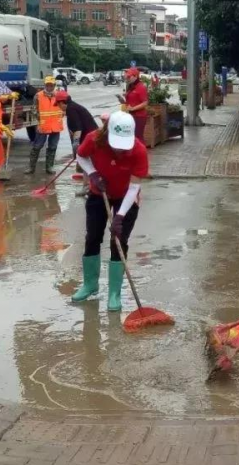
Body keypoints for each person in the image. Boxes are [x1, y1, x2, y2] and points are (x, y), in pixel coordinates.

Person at [71, 110, 149, 308]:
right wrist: (93, 173)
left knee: (119, 241)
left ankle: (114, 293)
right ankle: (90, 285)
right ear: (107, 133)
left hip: (126, 197)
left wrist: (120, 216)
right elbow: (81, 157)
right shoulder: (94, 139)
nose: (120, 152)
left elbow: (134, 186)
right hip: (99, 193)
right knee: (93, 237)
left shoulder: (138, 150)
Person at [27, 76, 64, 175]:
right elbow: (34, 110)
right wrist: (38, 122)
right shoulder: (38, 96)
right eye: (47, 85)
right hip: (43, 126)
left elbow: (64, 108)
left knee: (52, 147)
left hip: (56, 125)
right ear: (45, 85)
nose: (49, 87)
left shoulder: (59, 96)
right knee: (37, 146)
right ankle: (31, 168)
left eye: (51, 85)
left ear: (54, 85)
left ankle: (49, 167)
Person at [121, 67, 149, 142]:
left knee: (138, 137)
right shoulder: (130, 86)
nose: (127, 78)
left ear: (135, 76)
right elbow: (130, 100)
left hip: (139, 116)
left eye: (129, 76)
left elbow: (145, 103)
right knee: (132, 137)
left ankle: (142, 153)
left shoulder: (141, 87)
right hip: (131, 115)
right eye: (127, 76)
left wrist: (133, 108)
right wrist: (123, 99)